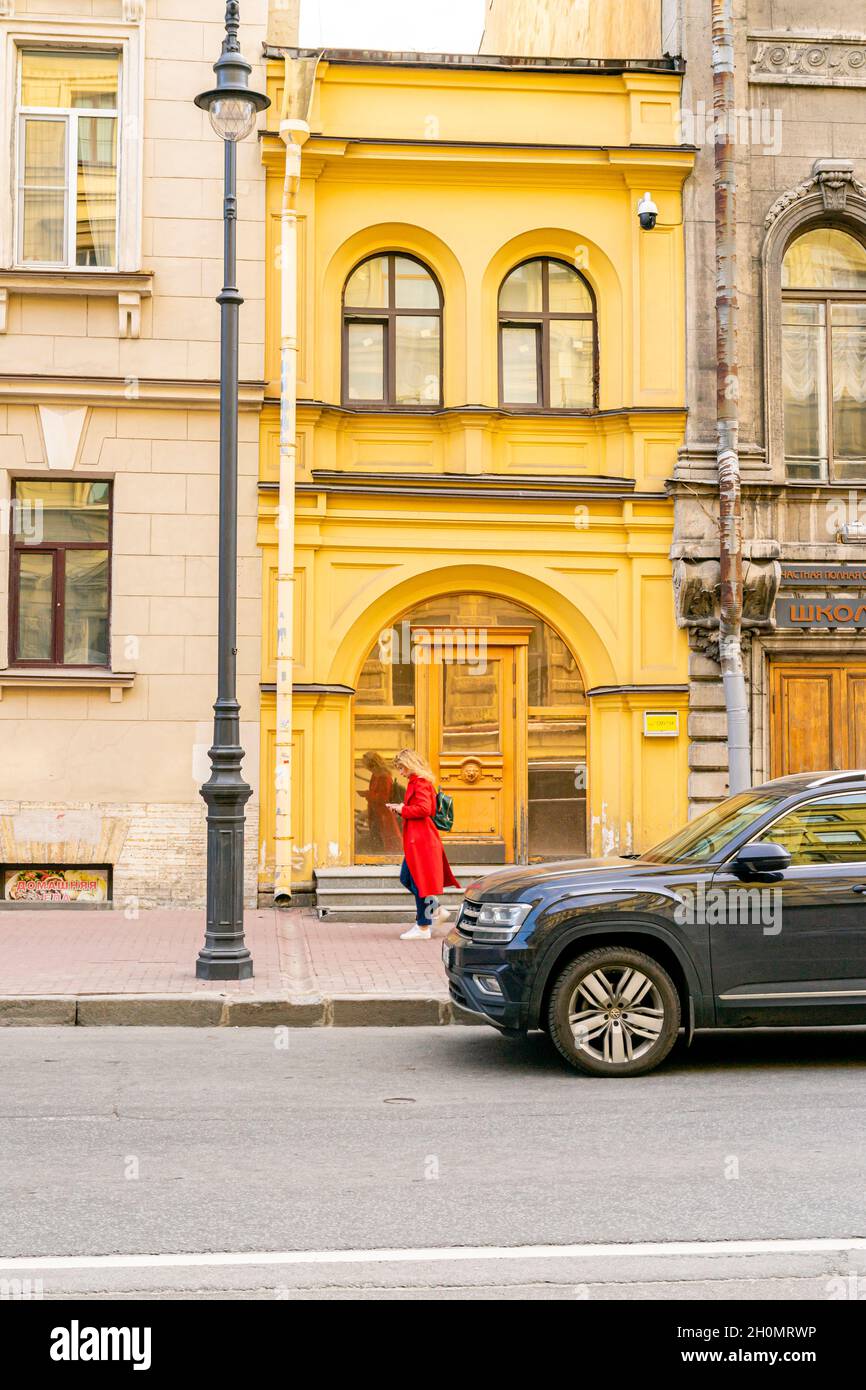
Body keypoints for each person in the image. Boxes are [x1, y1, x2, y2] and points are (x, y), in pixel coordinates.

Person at [387, 749, 460, 940]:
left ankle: (423, 926)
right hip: (419, 838)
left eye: (401, 768)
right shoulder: (421, 782)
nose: (401, 773)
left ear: (410, 764)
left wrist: (402, 809)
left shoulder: (419, 782)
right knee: (408, 878)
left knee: (418, 882)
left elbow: (425, 809)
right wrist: (401, 808)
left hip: (420, 839)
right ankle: (435, 909)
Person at [360, 751, 403, 853]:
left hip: (383, 815)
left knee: (384, 842)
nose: (366, 767)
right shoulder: (375, 775)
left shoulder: (383, 776)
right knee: (377, 840)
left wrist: (367, 794)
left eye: (367, 764)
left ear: (373, 763)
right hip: (376, 814)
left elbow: (383, 798)